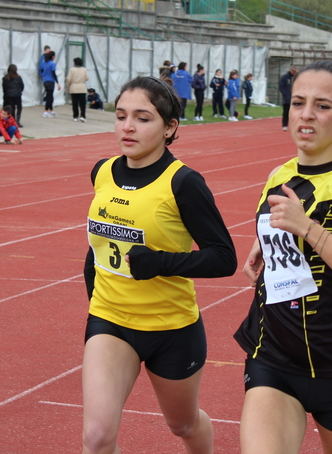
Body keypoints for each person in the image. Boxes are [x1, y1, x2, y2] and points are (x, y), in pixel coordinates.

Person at [234, 60, 332, 454]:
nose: (305, 115)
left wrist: (308, 229)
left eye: (322, 106)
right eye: (298, 102)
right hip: (273, 358)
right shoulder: (279, 175)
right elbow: (282, 233)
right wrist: (264, 245)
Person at [82, 75, 237, 454]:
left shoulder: (183, 183)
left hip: (171, 329)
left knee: (182, 424)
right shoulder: (102, 172)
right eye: (120, 116)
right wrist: (95, 301)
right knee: (97, 437)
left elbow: (224, 257)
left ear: (170, 128)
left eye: (142, 118)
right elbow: (99, 247)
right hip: (110, 321)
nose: (127, 127)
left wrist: (159, 263)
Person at [66, 56, 88, 122]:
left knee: (75, 103)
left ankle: (75, 116)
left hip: (74, 87)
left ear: (74, 63)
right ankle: (83, 116)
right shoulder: (84, 69)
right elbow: (87, 78)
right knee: (82, 103)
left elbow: (69, 79)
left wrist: (68, 86)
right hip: (82, 87)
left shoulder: (72, 70)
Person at [38, 48, 60, 118]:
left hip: (45, 81)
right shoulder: (52, 64)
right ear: (53, 57)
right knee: (49, 97)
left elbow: (41, 69)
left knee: (49, 95)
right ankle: (46, 111)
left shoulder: (44, 63)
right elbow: (53, 73)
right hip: (50, 81)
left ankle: (51, 110)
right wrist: (57, 83)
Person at [278, 65, 296, 131]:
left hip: (295, 98)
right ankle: (285, 125)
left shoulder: (295, 78)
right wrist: (285, 94)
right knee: (286, 112)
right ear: (290, 70)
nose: (294, 73)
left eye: (295, 72)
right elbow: (281, 87)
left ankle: (294, 125)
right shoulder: (284, 78)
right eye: (293, 72)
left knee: (295, 113)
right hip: (287, 99)